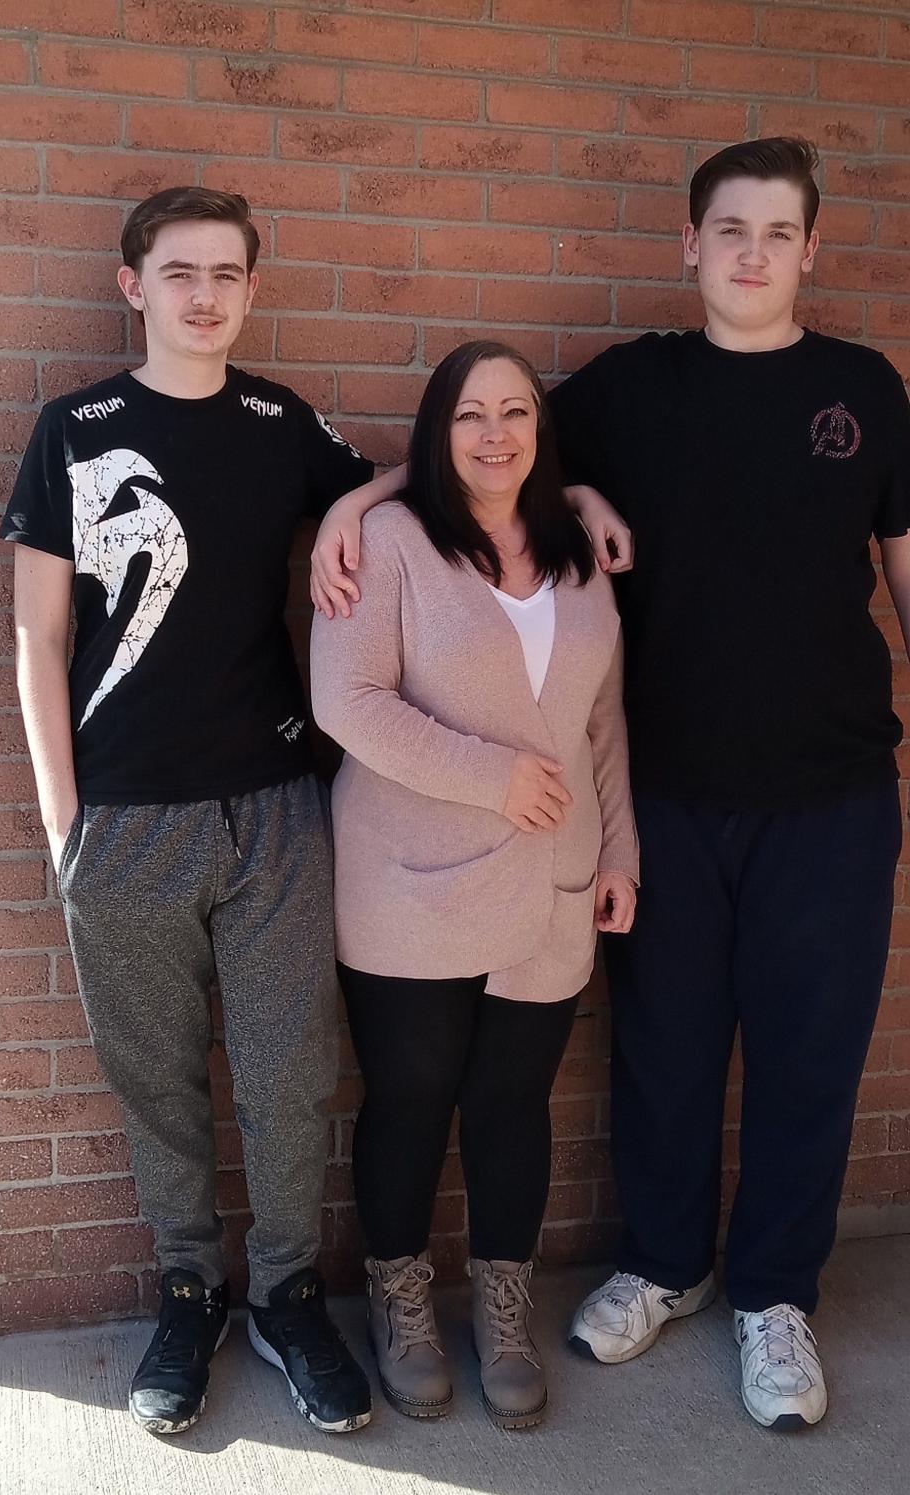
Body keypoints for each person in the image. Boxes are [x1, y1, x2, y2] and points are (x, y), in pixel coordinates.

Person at [309, 138, 910, 1432]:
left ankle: (774, 1296)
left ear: (812, 250)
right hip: (670, 793)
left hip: (834, 790)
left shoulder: (867, 389)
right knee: (664, 1048)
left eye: (779, 231)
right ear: (689, 248)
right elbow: (475, 449)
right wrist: (350, 509)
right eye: (729, 229)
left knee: (811, 1050)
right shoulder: (632, 386)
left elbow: (905, 559)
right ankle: (664, 1264)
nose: (753, 252)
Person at [0, 187, 374, 1437]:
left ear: (252, 289)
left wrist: (354, 511)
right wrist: (66, 825)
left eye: (226, 273)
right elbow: (37, 639)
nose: (203, 294)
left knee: (287, 1073)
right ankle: (188, 1289)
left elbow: (397, 488)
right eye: (177, 272)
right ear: (133, 285)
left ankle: (283, 1293)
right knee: (156, 1079)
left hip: (273, 809)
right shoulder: (73, 430)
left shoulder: (282, 424)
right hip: (124, 821)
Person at [309, 340, 638, 1430]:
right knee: (408, 1101)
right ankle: (401, 1300)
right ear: (436, 433)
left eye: (516, 412)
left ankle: (502, 1305)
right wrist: (492, 777)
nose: (495, 433)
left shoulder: (577, 554)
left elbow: (601, 722)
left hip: (553, 883)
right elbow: (347, 699)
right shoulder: (390, 542)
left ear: (541, 431)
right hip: (411, 883)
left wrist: (621, 848)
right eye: (469, 415)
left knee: (511, 1106)